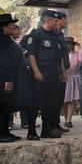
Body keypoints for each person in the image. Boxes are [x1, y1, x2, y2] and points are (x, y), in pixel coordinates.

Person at [26, 10, 65, 138]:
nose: (57, 23)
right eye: (55, 21)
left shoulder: (55, 36)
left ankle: (46, 130)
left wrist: (62, 72)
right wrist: (36, 71)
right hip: (40, 73)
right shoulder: (36, 35)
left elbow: (59, 57)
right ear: (47, 21)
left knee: (50, 103)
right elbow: (31, 54)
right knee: (36, 102)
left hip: (53, 73)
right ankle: (31, 131)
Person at [0, 13, 22, 142]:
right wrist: (7, 79)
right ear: (5, 26)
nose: (14, 26)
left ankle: (5, 132)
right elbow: (3, 61)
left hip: (10, 76)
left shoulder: (6, 39)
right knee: (2, 105)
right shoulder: (1, 41)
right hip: (3, 78)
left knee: (6, 106)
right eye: (11, 25)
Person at [52, 12, 70, 133]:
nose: (66, 22)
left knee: (59, 99)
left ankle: (56, 124)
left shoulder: (60, 34)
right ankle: (52, 125)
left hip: (62, 70)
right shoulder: (53, 34)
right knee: (54, 98)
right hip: (56, 71)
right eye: (64, 19)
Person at [63, 37, 82, 128]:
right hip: (64, 78)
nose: (68, 46)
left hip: (74, 77)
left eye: (70, 44)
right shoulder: (62, 55)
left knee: (71, 100)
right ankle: (65, 118)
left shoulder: (76, 54)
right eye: (67, 44)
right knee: (64, 100)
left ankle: (69, 120)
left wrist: (80, 49)